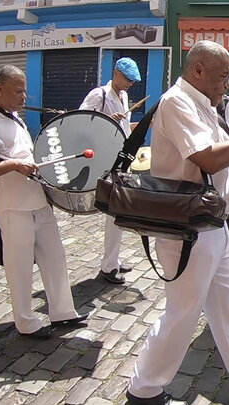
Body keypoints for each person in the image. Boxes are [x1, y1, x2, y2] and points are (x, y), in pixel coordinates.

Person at [125, 41, 229, 405]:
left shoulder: (204, 104)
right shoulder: (178, 102)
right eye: (219, 77)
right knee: (183, 312)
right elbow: (210, 158)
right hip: (188, 227)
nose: (225, 86)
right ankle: (144, 388)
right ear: (197, 70)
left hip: (212, 223)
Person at [0, 65, 86, 339]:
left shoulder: (14, 119)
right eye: (18, 91)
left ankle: (62, 312)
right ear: (0, 90)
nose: (24, 96)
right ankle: (26, 322)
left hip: (37, 202)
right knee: (19, 268)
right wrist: (14, 165)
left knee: (55, 257)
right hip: (14, 207)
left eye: (25, 91)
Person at [79, 57, 141, 285]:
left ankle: (113, 259)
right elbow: (81, 122)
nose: (129, 84)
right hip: (107, 159)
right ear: (116, 72)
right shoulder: (99, 95)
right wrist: (105, 120)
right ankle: (108, 266)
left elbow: (123, 127)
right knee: (115, 211)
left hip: (121, 157)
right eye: (127, 79)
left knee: (119, 212)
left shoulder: (123, 97)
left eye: (132, 81)